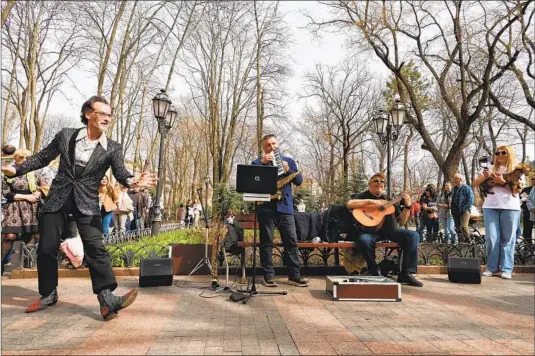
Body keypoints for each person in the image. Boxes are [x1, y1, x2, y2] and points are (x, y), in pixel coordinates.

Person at [1, 95, 157, 320]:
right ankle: (48, 293)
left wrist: (134, 181)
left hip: (86, 202)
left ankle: (106, 298)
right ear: (88, 113)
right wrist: (17, 170)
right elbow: (43, 157)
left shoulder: (112, 148)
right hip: (58, 197)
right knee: (47, 247)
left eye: (110, 115)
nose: (107, 118)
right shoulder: (66, 135)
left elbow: (121, 173)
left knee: (96, 247)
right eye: (102, 113)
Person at [346, 172, 423, 287]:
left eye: (382, 182)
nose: (379, 183)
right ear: (369, 184)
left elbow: (401, 221)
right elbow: (349, 204)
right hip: (369, 231)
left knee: (413, 236)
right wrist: (370, 201)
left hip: (389, 231)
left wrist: (407, 207)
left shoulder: (388, 199)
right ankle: (374, 270)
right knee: (364, 239)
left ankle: (406, 273)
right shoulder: (363, 195)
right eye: (376, 181)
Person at [252, 134, 308, 287]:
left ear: (278, 143)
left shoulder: (289, 161)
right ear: (264, 148)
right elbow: (251, 177)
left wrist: (289, 169)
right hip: (266, 208)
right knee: (267, 243)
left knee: (291, 242)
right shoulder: (258, 162)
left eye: (274, 143)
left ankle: (294, 276)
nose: (272, 147)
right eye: (268, 145)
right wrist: (262, 163)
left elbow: (299, 181)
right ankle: (268, 276)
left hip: (285, 207)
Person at [473, 145, 522, 280]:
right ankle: (492, 267)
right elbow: (475, 183)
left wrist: (503, 181)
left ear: (509, 154)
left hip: (510, 206)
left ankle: (506, 268)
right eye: (497, 153)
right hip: (490, 206)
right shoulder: (489, 167)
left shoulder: (516, 169)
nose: (500, 155)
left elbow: (518, 190)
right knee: (491, 238)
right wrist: (484, 177)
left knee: (508, 239)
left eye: (503, 153)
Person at [450, 173, 474, 243]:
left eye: (455, 178)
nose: (454, 180)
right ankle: (461, 242)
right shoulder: (454, 189)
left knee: (463, 226)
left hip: (465, 210)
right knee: (457, 227)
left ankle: (468, 241)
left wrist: (464, 208)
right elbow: (452, 199)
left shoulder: (466, 188)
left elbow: (471, 200)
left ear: (460, 179)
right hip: (455, 210)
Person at [520, 176, 534, 245]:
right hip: (528, 212)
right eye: (533, 179)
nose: (534, 180)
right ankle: (528, 247)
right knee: (527, 231)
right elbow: (523, 200)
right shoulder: (526, 190)